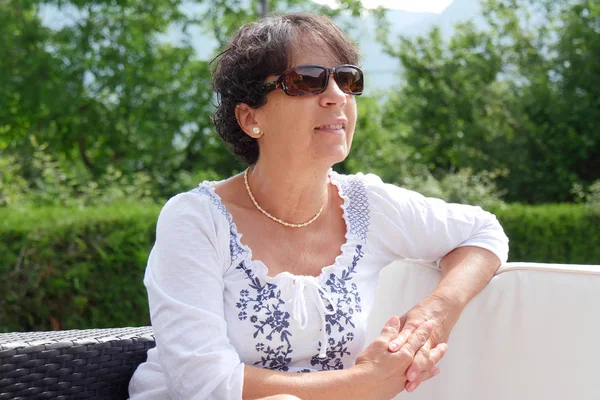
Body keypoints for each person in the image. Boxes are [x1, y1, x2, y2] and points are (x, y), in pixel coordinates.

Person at [128, 12, 509, 400]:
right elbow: (205, 384)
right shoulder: (196, 220)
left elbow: (483, 232)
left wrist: (435, 314)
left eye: (347, 79)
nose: (337, 96)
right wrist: (366, 384)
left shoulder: (368, 206)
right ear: (250, 117)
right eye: (307, 80)